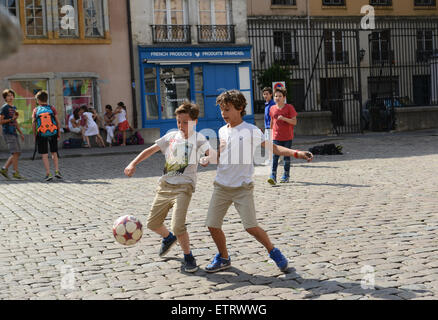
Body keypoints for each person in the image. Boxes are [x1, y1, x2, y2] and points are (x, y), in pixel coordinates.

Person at [200, 89, 313, 273]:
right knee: (212, 225)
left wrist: (296, 153)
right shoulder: (222, 130)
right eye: (221, 109)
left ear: (240, 108)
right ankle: (223, 257)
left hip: (242, 188)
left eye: (227, 109)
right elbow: (221, 155)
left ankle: (273, 251)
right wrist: (209, 158)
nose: (223, 113)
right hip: (221, 186)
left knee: (251, 227)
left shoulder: (251, 130)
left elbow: (274, 148)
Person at [124, 101, 212, 273]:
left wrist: (206, 159)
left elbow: (210, 153)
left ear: (195, 122)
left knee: (178, 225)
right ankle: (168, 238)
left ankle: (189, 257)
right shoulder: (171, 136)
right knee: (152, 223)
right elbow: (149, 150)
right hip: (164, 186)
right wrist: (132, 163)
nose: (181, 125)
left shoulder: (199, 138)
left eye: (185, 122)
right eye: (179, 121)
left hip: (184, 187)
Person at [267, 87, 298, 185]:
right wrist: (270, 134)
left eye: (280, 96)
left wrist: (284, 118)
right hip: (276, 136)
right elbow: (272, 121)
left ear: (284, 97)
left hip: (287, 137)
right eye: (276, 96)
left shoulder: (289, 107)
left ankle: (286, 174)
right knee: (275, 156)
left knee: (286, 157)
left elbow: (294, 122)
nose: (277, 98)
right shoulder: (272, 108)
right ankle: (273, 175)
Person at [32, 90, 62, 181]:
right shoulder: (52, 108)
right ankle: (57, 171)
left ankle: (48, 173)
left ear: (38, 100)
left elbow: (33, 124)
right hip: (53, 132)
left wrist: (35, 135)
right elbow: (57, 121)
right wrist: (58, 132)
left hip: (41, 134)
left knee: (44, 155)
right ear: (46, 99)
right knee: (54, 152)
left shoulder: (36, 110)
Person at [0, 89, 25, 180]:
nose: (10, 97)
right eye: (8, 96)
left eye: (11, 95)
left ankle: (4, 169)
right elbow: (1, 121)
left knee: (17, 153)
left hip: (14, 132)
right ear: (5, 98)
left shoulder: (14, 108)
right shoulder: (5, 108)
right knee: (15, 152)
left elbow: (15, 121)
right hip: (8, 132)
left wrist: (21, 133)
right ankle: (15, 172)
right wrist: (11, 119)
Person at [262, 87, 276, 166]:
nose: (265, 96)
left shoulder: (272, 104)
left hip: (270, 128)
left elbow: (273, 117)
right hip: (267, 127)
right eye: (264, 94)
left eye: (267, 94)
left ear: (271, 94)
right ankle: (271, 158)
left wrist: (270, 128)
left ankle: (271, 160)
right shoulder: (267, 104)